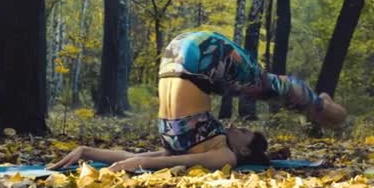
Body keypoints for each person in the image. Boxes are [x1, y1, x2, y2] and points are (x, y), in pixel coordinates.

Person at [49, 31, 346, 172]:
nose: (234, 125)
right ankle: (322, 106)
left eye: (242, 131)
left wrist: (87, 151)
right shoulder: (219, 150)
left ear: (243, 149)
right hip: (198, 57)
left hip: (181, 56)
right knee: (268, 85)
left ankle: (319, 106)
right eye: (244, 128)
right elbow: (154, 160)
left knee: (268, 86)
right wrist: (136, 163)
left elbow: (152, 158)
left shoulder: (220, 153)